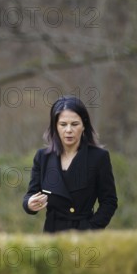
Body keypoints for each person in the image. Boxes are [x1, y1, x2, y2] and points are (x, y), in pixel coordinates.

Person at [23, 96, 118, 233]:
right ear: (55, 126)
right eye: (63, 124)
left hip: (84, 235)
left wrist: (91, 229)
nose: (68, 130)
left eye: (74, 124)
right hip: (52, 234)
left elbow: (109, 201)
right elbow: (31, 194)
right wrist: (29, 204)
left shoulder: (99, 157)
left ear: (84, 125)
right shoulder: (42, 157)